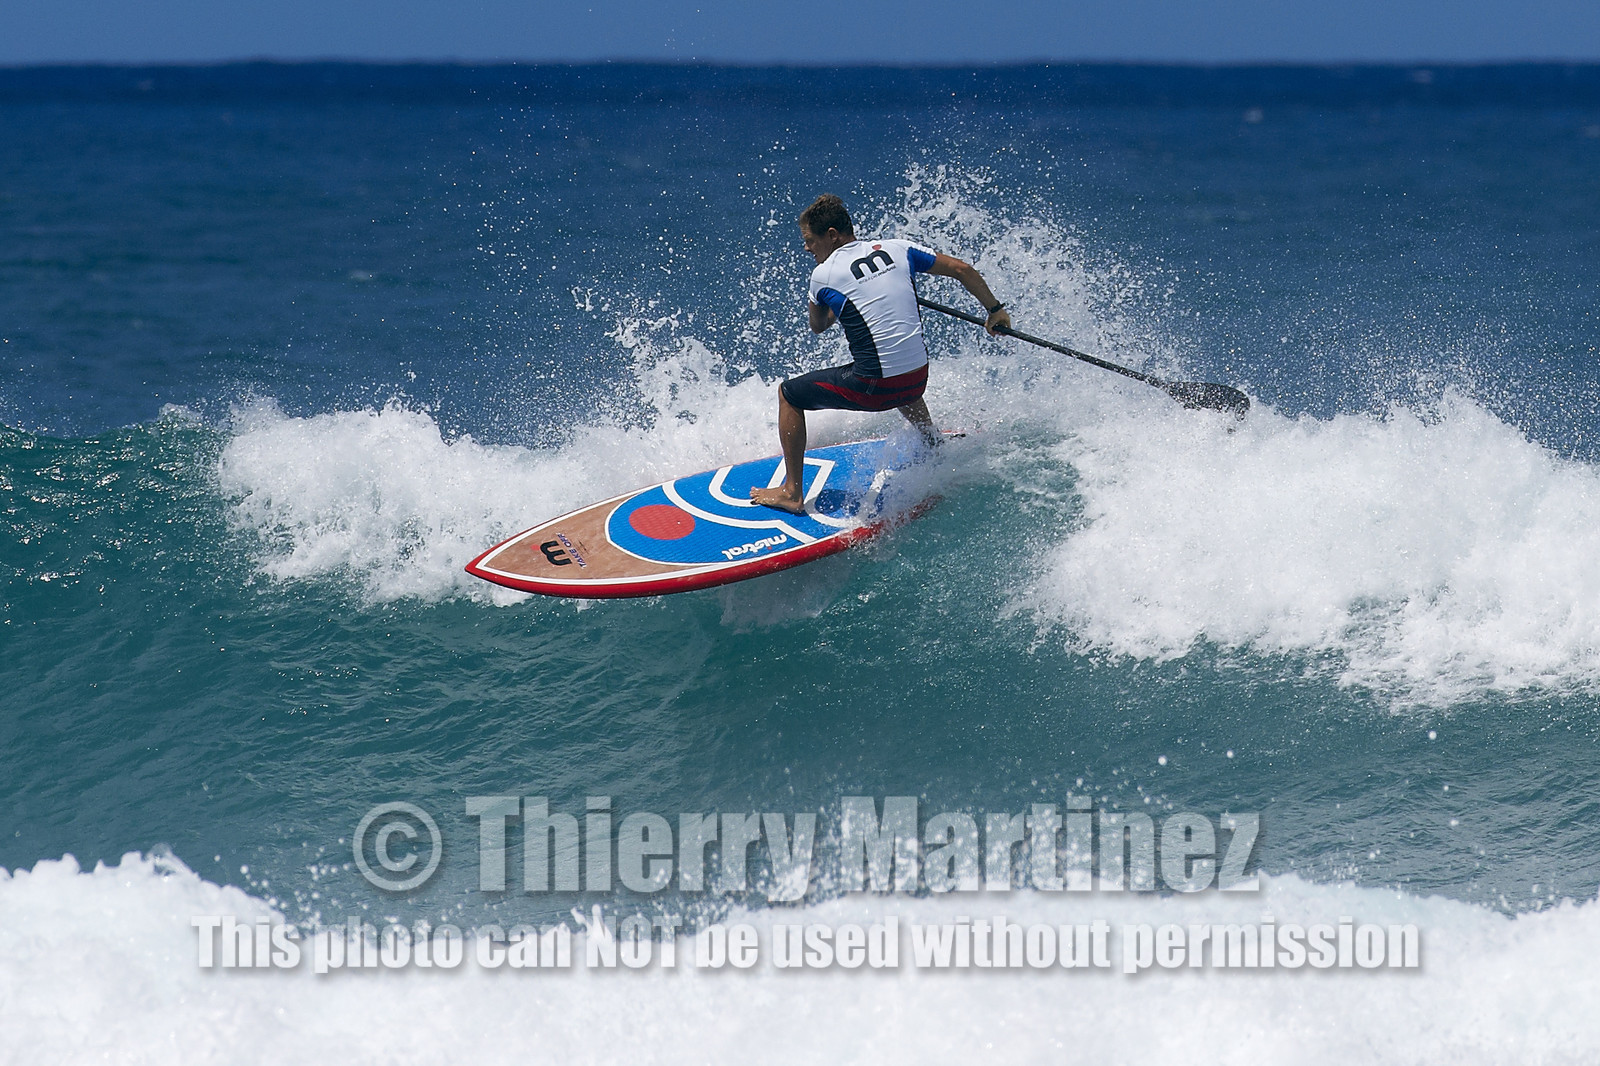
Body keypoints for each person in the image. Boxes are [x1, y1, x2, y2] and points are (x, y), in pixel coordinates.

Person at [750, 194, 1013, 514]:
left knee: (789, 394)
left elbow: (818, 325)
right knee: (895, 357)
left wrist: (841, 304)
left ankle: (792, 492)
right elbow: (962, 268)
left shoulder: (824, 275)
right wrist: (995, 311)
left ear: (832, 235)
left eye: (810, 240)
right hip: (917, 381)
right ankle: (932, 442)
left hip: (875, 389)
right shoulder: (898, 248)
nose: (807, 249)